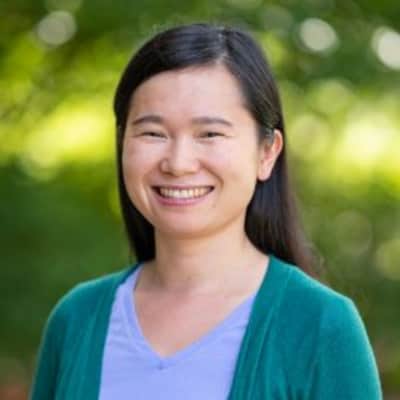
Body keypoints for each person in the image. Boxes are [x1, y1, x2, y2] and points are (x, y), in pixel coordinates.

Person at [30, 23, 383, 399]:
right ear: (122, 144)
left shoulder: (321, 325)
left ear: (267, 153)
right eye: (153, 133)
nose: (178, 163)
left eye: (210, 134)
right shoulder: (77, 319)